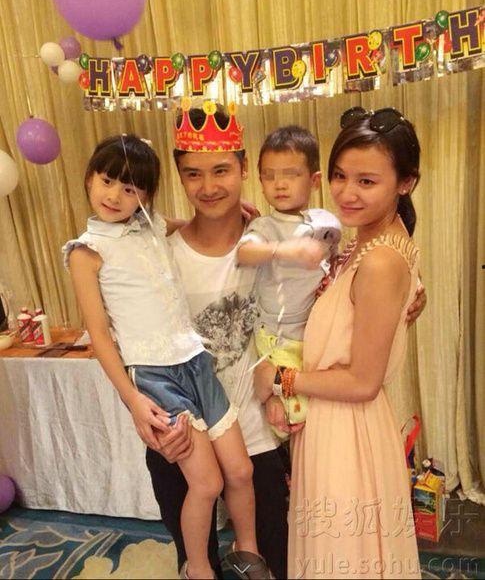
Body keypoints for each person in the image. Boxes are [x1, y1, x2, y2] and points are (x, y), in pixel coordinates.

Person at [62, 134, 270, 580]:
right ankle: (199, 569)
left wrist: (236, 209)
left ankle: (248, 551)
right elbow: (100, 336)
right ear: (89, 178)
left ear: (146, 195)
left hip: (196, 361)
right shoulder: (86, 250)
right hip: (155, 375)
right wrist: (134, 400)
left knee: (239, 469)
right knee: (207, 483)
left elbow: (176, 224)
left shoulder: (150, 225)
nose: (114, 196)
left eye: (130, 188)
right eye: (107, 181)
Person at [254, 107, 423, 578]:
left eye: (367, 181)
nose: (347, 192)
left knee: (342, 559)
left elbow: (362, 382)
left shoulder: (379, 259)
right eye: (340, 176)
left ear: (405, 183)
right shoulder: (372, 239)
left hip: (346, 432)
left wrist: (280, 378)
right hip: (337, 423)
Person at [146, 106, 291, 579]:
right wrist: (144, 417)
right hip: (183, 431)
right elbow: (138, 344)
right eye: (194, 174)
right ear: (180, 177)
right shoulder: (161, 256)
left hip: (255, 430)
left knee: (273, 556)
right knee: (196, 559)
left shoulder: (269, 245)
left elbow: (325, 287)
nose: (208, 186)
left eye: (221, 170)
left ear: (244, 169)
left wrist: (410, 294)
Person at [237, 126, 342, 434]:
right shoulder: (264, 226)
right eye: (269, 176)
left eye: (291, 175)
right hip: (277, 334)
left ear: (314, 180)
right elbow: (244, 252)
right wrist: (284, 249)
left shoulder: (327, 223)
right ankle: (272, 401)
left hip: (315, 334)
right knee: (292, 415)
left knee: (320, 408)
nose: (279, 184)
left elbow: (339, 263)